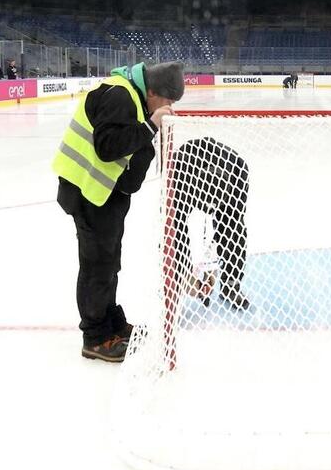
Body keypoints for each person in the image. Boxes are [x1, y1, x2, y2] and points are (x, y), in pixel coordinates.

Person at [53, 60, 185, 363]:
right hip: (86, 191)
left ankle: (110, 321)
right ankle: (95, 337)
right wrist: (150, 126)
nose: (169, 107)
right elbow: (106, 147)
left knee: (108, 262)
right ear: (152, 92)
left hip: (103, 193)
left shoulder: (132, 96)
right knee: (96, 266)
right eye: (168, 100)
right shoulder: (120, 95)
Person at [171, 137, 250, 310]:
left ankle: (231, 286)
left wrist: (210, 266)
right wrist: (186, 276)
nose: (210, 209)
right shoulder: (180, 178)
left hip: (227, 177)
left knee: (234, 229)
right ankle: (174, 286)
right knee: (174, 230)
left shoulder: (239, 172)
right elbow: (177, 230)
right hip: (188, 172)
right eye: (208, 205)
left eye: (215, 205)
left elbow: (233, 226)